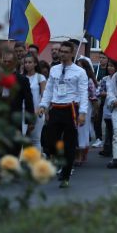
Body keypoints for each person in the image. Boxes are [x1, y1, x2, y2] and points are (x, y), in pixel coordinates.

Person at [37, 40, 89, 188]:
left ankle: (65, 175)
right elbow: (49, 90)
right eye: (61, 51)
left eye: (66, 52)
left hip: (71, 109)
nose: (63, 54)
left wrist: (83, 113)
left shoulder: (80, 72)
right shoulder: (54, 70)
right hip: (56, 108)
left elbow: (83, 93)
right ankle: (57, 159)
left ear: (72, 53)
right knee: (49, 141)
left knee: (69, 144)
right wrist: (43, 105)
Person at [75, 57, 98, 164]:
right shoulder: (72, 79)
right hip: (72, 106)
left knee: (82, 130)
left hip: (85, 107)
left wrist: (95, 110)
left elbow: (93, 97)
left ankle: (81, 154)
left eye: (80, 66)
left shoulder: (88, 81)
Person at [23, 53, 47, 152]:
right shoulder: (22, 77)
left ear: (35, 64)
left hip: (37, 111)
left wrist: (40, 108)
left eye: (30, 62)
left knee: (35, 139)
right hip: (24, 111)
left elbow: (44, 95)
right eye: (25, 62)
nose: (27, 64)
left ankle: (36, 163)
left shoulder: (40, 77)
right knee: (23, 138)